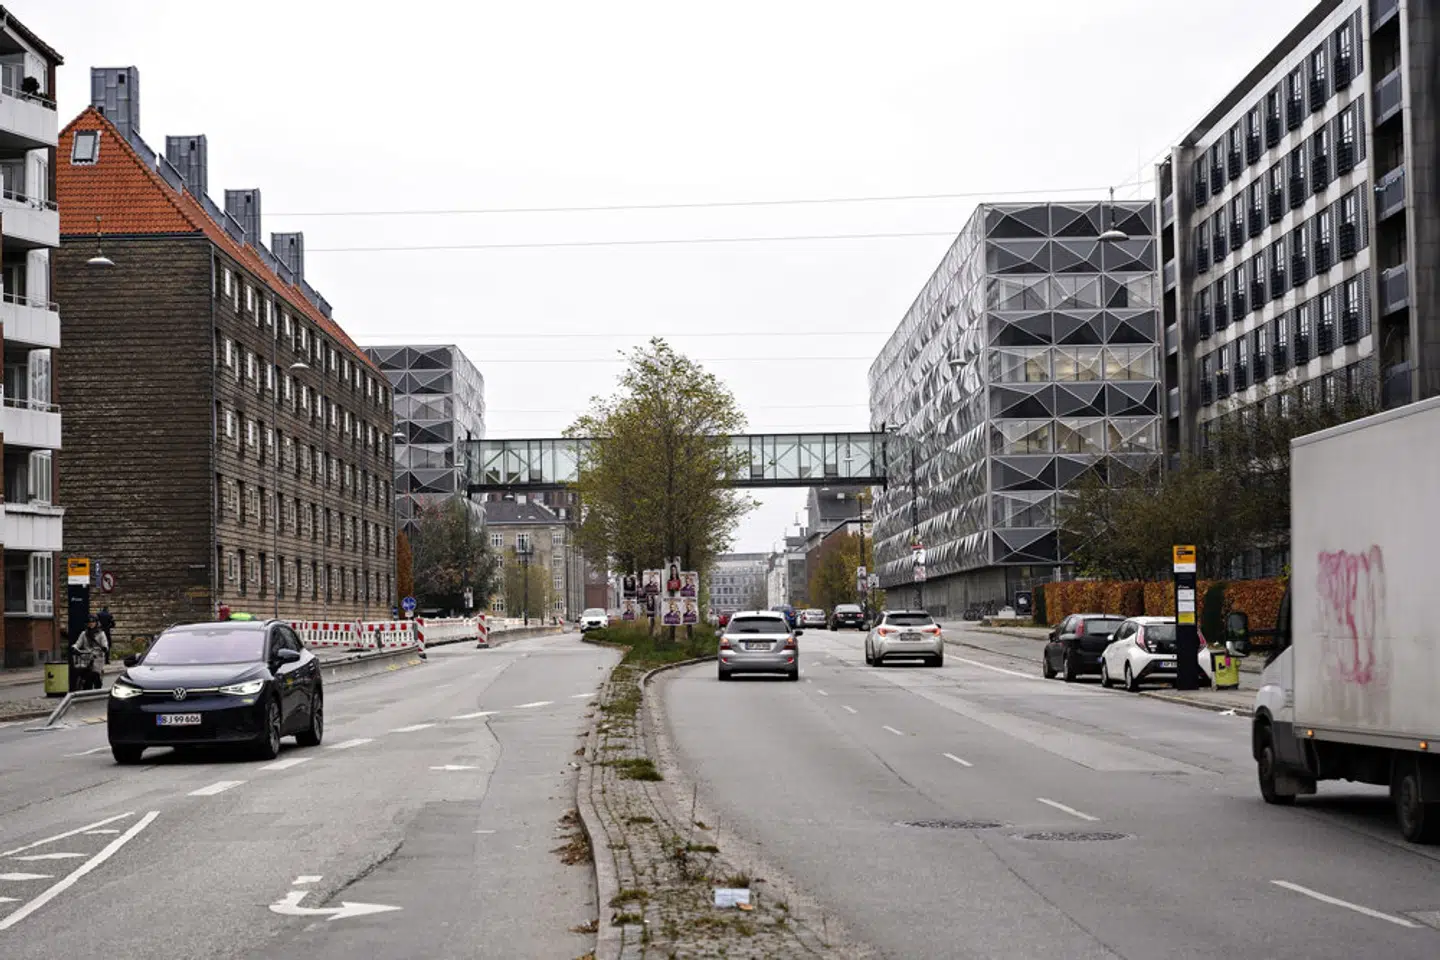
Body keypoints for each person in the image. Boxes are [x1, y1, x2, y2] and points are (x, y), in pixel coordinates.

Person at [73, 617, 108, 690]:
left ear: (96, 623)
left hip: (97, 656)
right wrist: (74, 647)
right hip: (86, 656)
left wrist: (104, 648)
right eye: (89, 622)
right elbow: (78, 643)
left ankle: (98, 686)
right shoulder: (84, 633)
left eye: (93, 622)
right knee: (82, 671)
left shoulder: (101, 633)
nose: (91, 624)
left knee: (95, 673)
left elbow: (105, 643)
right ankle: (83, 685)